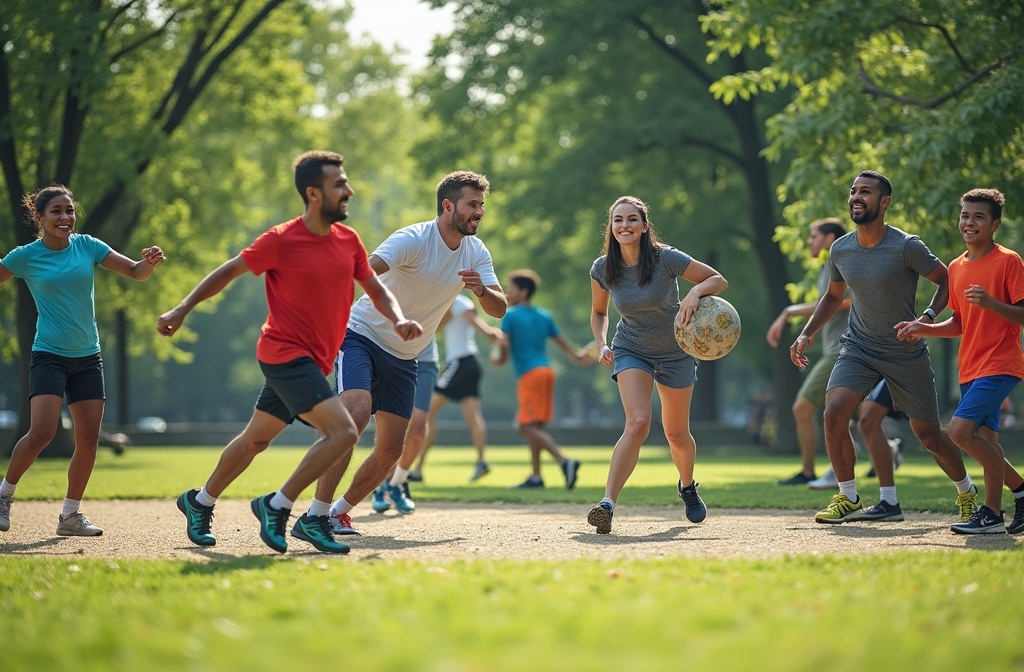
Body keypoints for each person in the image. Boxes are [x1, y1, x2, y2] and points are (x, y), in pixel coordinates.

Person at [161, 150, 421, 555]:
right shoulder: (282, 240)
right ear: (314, 193)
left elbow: (375, 287)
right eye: (340, 185)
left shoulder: (348, 241)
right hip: (284, 353)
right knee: (344, 431)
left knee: (256, 440)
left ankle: (198, 502)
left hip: (314, 361)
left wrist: (399, 318)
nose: (349, 190)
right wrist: (182, 308)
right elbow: (228, 271)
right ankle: (285, 508)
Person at [312, 170, 506, 536]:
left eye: (482, 205)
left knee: (390, 450)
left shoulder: (477, 252)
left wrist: (481, 291)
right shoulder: (413, 238)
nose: (480, 211)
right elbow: (365, 271)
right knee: (353, 418)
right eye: (472, 204)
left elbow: (499, 309)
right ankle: (316, 513)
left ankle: (340, 511)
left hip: (406, 354)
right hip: (362, 335)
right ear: (448, 206)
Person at [790, 170, 977, 524]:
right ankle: (849, 497)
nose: (857, 197)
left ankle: (967, 491)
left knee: (929, 436)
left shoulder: (907, 245)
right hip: (858, 347)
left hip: (904, 352)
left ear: (884, 202)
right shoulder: (840, 248)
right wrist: (806, 333)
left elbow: (945, 281)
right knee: (834, 413)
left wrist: (927, 317)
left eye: (866, 192)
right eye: (853, 191)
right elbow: (833, 296)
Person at [0, 185, 164, 537]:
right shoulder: (25, 257)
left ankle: (70, 516)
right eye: (56, 211)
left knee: (88, 440)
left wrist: (147, 263)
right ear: (40, 217)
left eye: (69, 210)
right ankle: (4, 496)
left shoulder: (88, 246)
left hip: (88, 357)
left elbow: (135, 272)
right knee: (41, 432)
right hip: (48, 355)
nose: (65, 217)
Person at [587, 196, 728, 534]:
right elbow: (599, 312)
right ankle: (607, 503)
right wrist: (602, 342)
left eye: (632, 220)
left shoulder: (666, 258)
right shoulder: (603, 268)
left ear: (645, 225)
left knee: (676, 434)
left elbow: (718, 280)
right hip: (631, 348)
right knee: (637, 423)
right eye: (618, 220)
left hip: (677, 350)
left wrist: (694, 294)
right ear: (611, 227)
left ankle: (688, 486)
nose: (624, 226)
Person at [896, 188, 1024, 534]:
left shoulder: (1009, 261)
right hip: (970, 367)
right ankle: (993, 516)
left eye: (979, 216)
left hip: (1001, 364)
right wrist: (925, 328)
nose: (970, 222)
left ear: (995, 224)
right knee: (986, 440)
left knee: (959, 432)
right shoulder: (956, 267)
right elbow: (960, 323)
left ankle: (1022, 489)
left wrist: (992, 303)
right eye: (965, 215)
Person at [491, 269, 592, 489]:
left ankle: (565, 462)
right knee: (536, 426)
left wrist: (498, 359)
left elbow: (505, 346)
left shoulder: (510, 316)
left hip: (530, 375)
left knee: (525, 426)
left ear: (524, 292)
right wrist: (577, 358)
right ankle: (536, 477)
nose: (508, 294)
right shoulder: (544, 315)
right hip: (546, 372)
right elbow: (563, 342)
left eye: (512, 289)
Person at [770, 218, 850, 485]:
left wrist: (789, 311)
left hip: (842, 348)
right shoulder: (826, 267)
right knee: (862, 416)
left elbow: (846, 300)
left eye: (813, 236)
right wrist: (812, 329)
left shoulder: (840, 261)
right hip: (836, 346)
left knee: (803, 408)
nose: (808, 241)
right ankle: (888, 450)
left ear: (829, 239)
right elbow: (828, 304)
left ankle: (811, 471)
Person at [418, 291, 505, 483]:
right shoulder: (449, 303)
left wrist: (491, 333)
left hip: (461, 362)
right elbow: (437, 327)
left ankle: (417, 468)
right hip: (469, 363)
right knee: (473, 415)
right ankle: (481, 461)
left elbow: (475, 321)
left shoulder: (459, 302)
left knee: (427, 412)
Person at [369, 339, 439, 513]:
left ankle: (396, 484)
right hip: (388, 354)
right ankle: (379, 486)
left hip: (424, 360)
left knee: (418, 429)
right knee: (389, 430)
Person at [806, 379, 904, 490]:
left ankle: (888, 496)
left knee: (864, 415)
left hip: (877, 365)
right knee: (837, 409)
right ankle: (839, 474)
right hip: (846, 362)